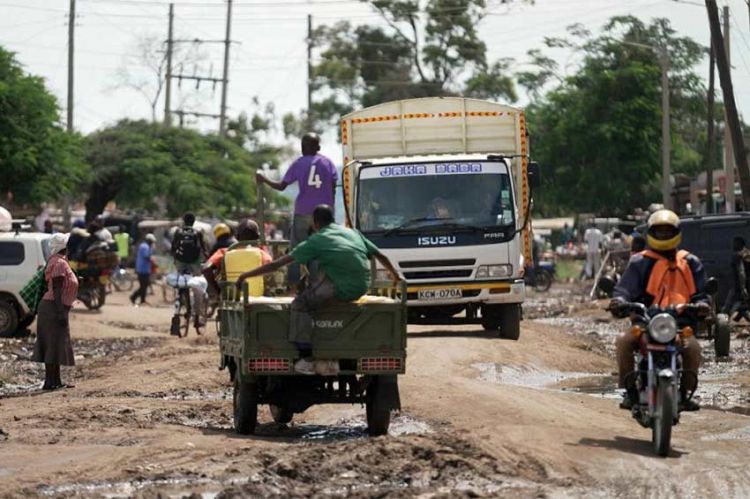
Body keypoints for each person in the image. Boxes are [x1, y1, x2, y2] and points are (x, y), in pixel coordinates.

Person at [236, 205, 401, 375]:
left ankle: (306, 358)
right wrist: (396, 277)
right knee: (321, 286)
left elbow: (276, 265)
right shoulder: (353, 233)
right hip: (361, 287)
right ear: (333, 219)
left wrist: (244, 276)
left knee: (300, 304)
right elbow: (381, 255)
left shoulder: (317, 240)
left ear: (315, 223)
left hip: (340, 288)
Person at [609, 209, 706, 411]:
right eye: (659, 232)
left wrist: (703, 304)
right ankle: (630, 392)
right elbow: (624, 289)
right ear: (651, 234)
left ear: (676, 233)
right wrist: (619, 300)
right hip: (645, 323)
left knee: (693, 348)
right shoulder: (639, 261)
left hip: (679, 325)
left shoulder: (690, 262)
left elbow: (701, 294)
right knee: (624, 343)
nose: (663, 236)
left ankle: (686, 394)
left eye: (667, 232)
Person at [256, 133, 338, 287]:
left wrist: (263, 178)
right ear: (318, 147)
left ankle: (292, 285)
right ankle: (317, 283)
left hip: (303, 211)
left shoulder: (298, 163)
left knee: (296, 249)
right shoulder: (328, 163)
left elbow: (281, 186)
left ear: (303, 147)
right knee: (319, 248)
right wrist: (331, 210)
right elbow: (333, 187)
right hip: (323, 214)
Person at [32, 233, 78, 390]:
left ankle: (55, 381)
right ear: (64, 247)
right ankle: (50, 382)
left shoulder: (59, 261)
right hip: (53, 307)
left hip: (54, 307)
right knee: (52, 344)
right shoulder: (59, 263)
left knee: (55, 344)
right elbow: (57, 289)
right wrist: (60, 313)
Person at [203, 219, 272, 299]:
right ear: (258, 237)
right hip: (258, 298)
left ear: (237, 237)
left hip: (232, 298)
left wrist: (219, 292)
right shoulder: (261, 253)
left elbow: (206, 269)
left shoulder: (224, 252)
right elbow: (270, 266)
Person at [171, 213, 209, 328]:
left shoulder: (178, 232)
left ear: (183, 221)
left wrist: (176, 260)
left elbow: (173, 248)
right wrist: (206, 260)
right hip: (194, 263)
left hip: (180, 263)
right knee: (197, 286)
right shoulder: (198, 232)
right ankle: (197, 318)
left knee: (181, 284)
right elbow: (204, 249)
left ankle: (180, 300)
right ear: (194, 221)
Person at [722, 236, 750, 321]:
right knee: (743, 304)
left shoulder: (737, 255)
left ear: (739, 244)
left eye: (734, 243)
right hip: (747, 284)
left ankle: (723, 324)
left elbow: (741, 272)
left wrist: (742, 288)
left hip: (739, 286)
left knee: (728, 307)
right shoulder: (747, 253)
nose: (732, 246)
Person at [130, 234, 156, 306]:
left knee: (145, 285)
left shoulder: (146, 246)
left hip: (145, 269)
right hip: (142, 269)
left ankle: (142, 300)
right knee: (143, 285)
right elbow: (146, 256)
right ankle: (133, 297)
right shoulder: (145, 246)